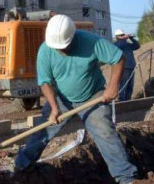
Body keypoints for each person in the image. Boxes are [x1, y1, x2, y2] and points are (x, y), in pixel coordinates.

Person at [14, 15, 137, 184]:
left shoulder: (91, 42)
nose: (60, 50)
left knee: (105, 133)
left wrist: (113, 86)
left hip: (92, 95)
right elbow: (45, 82)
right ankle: (22, 168)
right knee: (41, 133)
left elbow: (118, 58)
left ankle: (126, 177)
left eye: (63, 47)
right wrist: (54, 107)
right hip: (61, 99)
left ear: (73, 37)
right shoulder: (45, 50)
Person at [114, 29, 141, 101]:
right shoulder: (116, 44)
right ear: (117, 37)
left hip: (131, 66)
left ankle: (128, 99)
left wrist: (131, 38)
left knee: (130, 85)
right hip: (123, 67)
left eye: (124, 34)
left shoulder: (128, 45)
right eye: (122, 35)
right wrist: (124, 38)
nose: (124, 36)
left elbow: (137, 46)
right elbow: (120, 45)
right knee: (123, 84)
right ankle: (121, 100)